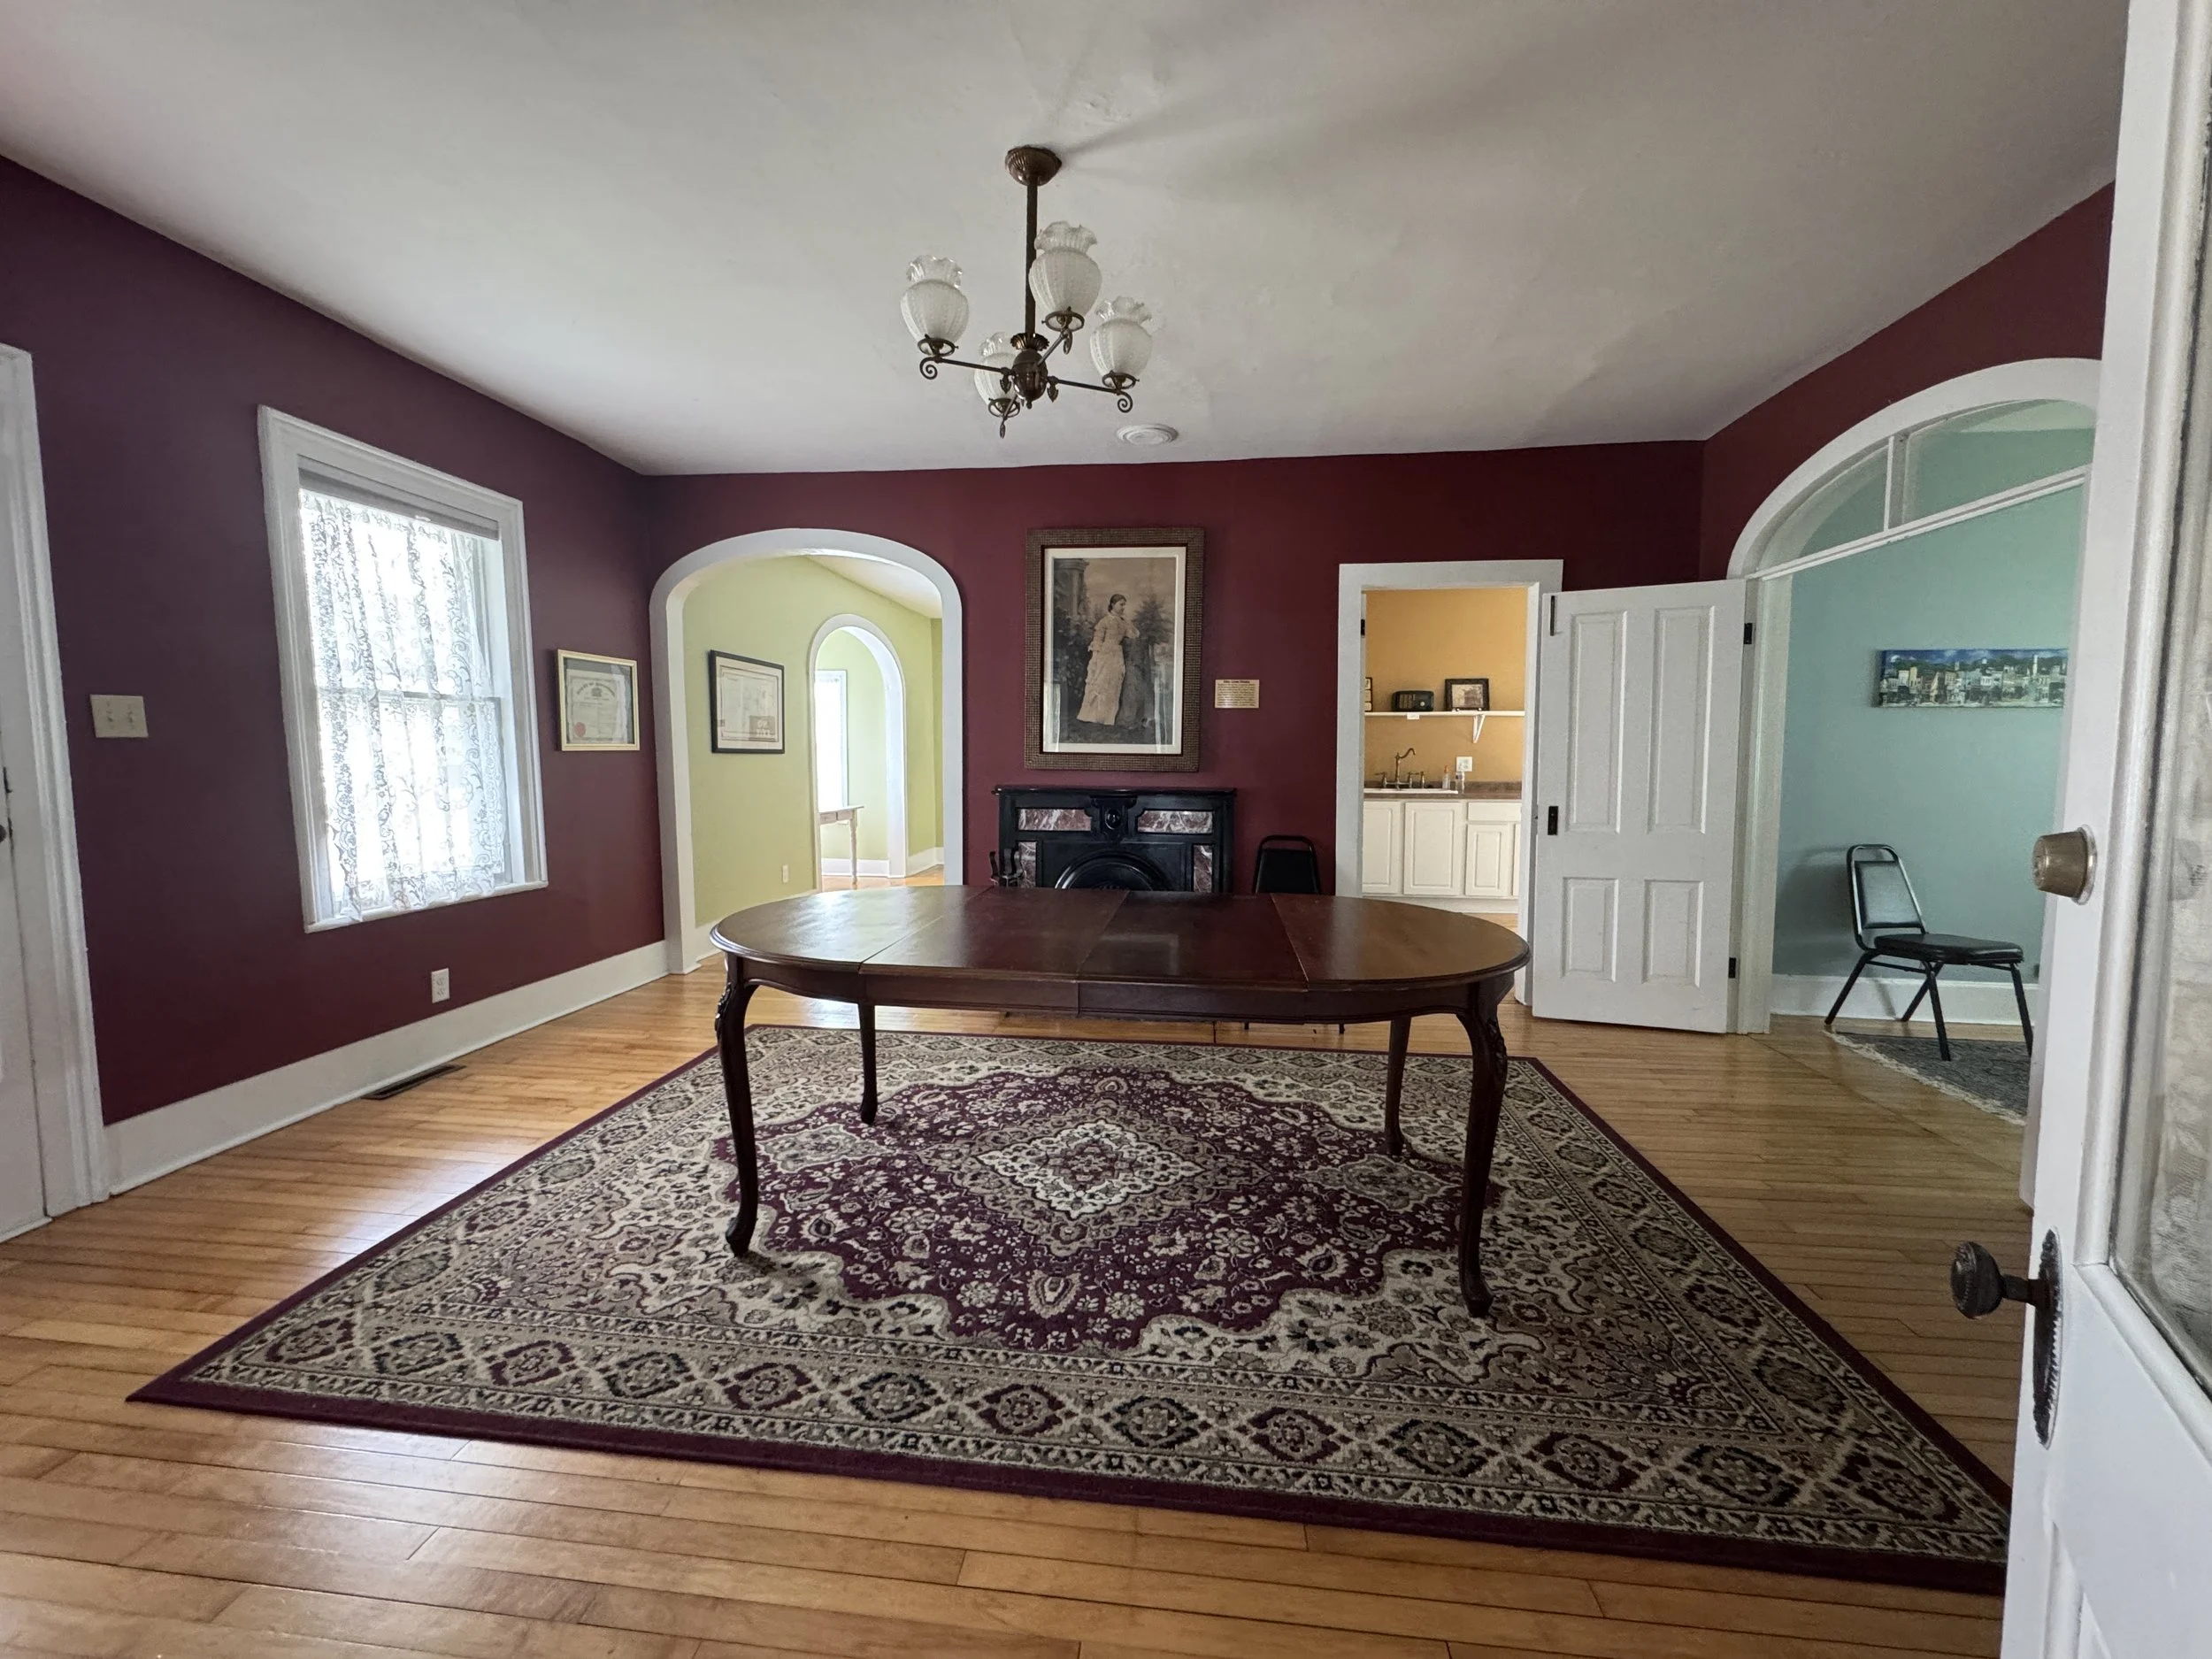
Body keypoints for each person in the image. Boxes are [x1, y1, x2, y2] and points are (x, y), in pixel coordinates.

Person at [1077, 594, 1134, 726]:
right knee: (1101, 684)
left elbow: (1133, 635)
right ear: (1113, 604)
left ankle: (1108, 718)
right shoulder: (1105, 621)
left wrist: (1127, 621)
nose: (1123, 607)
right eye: (1121, 604)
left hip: (1117, 655)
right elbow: (1097, 640)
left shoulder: (1122, 622)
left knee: (1114, 684)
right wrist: (1096, 659)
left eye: (1124, 605)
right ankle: (1093, 716)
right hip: (1104, 655)